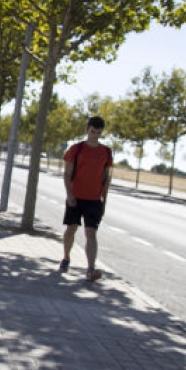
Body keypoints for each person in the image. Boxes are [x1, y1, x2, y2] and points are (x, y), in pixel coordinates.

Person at [59, 116, 113, 281]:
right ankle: (66, 258)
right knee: (71, 229)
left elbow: (107, 178)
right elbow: (67, 174)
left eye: (98, 133)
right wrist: (69, 195)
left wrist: (104, 200)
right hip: (75, 197)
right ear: (87, 129)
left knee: (91, 233)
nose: (94, 135)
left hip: (94, 199)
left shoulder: (106, 152)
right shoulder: (76, 149)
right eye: (92, 132)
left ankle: (90, 268)